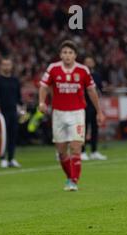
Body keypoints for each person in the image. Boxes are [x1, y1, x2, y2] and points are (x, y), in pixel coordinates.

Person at [39, 40, 105, 191]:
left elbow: (91, 90)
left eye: (70, 53)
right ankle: (70, 177)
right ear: (60, 55)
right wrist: (42, 102)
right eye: (64, 52)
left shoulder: (83, 70)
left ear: (75, 55)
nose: (67, 55)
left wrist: (99, 111)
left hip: (77, 112)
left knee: (76, 147)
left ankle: (73, 181)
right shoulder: (53, 68)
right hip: (59, 113)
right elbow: (43, 86)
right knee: (62, 151)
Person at [0, 57, 22, 168]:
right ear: (1, 66)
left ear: (11, 66)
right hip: (2, 112)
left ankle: (11, 158)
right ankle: (2, 158)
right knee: (2, 136)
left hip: (13, 111)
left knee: (12, 135)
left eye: (8, 64)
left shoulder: (15, 80)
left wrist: (21, 108)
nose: (6, 67)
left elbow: (18, 97)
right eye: (4, 64)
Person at [81, 56, 107, 161]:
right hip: (84, 105)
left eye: (90, 61)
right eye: (86, 62)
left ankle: (94, 151)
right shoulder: (81, 75)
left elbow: (100, 90)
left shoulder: (97, 75)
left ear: (94, 63)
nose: (89, 63)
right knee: (84, 129)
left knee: (95, 129)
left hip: (94, 105)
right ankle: (82, 152)